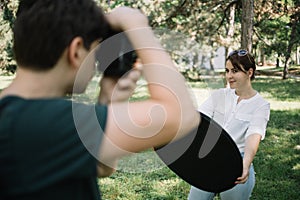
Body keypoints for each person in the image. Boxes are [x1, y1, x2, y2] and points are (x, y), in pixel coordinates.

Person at [0, 0, 200, 199]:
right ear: (76, 51)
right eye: (94, 52)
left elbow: (101, 166)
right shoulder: (37, 122)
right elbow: (182, 116)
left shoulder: (17, 114)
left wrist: (108, 100)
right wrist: (138, 27)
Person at [188, 49, 270, 200]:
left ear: (249, 73)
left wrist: (245, 165)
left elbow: (254, 135)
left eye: (235, 71)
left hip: (236, 164)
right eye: (227, 71)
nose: (229, 76)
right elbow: (199, 120)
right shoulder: (220, 95)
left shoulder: (261, 105)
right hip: (209, 159)